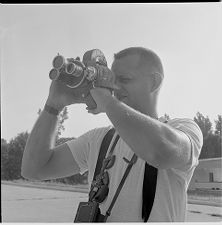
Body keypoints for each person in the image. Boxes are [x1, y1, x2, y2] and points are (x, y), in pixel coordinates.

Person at [21, 47, 203, 222]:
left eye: (124, 79)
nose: (114, 87)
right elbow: (34, 169)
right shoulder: (99, 139)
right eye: (112, 79)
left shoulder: (184, 129)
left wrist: (104, 99)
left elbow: (161, 152)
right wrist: (54, 105)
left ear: (154, 82)